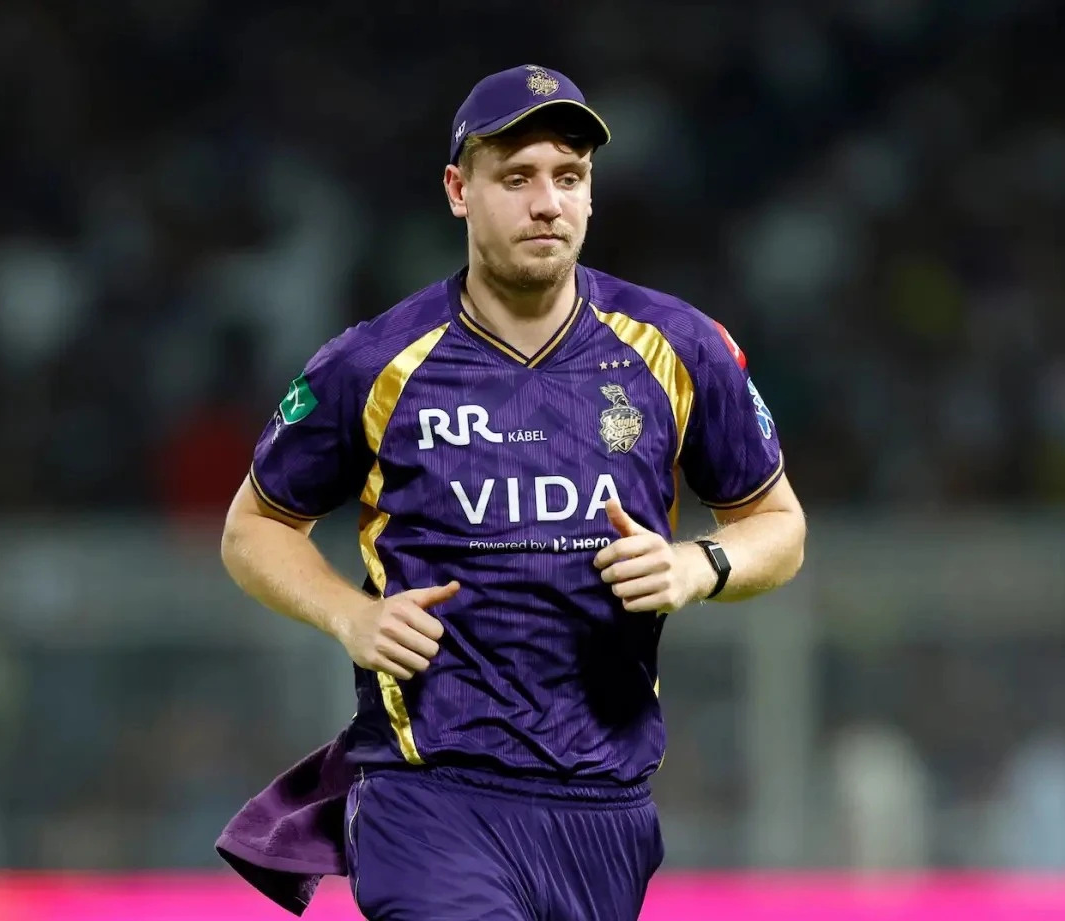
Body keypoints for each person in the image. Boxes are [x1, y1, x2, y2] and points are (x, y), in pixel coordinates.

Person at [214, 64, 807, 921]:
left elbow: (777, 524)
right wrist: (351, 617)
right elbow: (253, 527)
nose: (548, 203)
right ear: (459, 191)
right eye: (518, 177)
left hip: (605, 804)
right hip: (430, 793)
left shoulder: (678, 348)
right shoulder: (374, 363)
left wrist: (696, 565)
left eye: (570, 177)